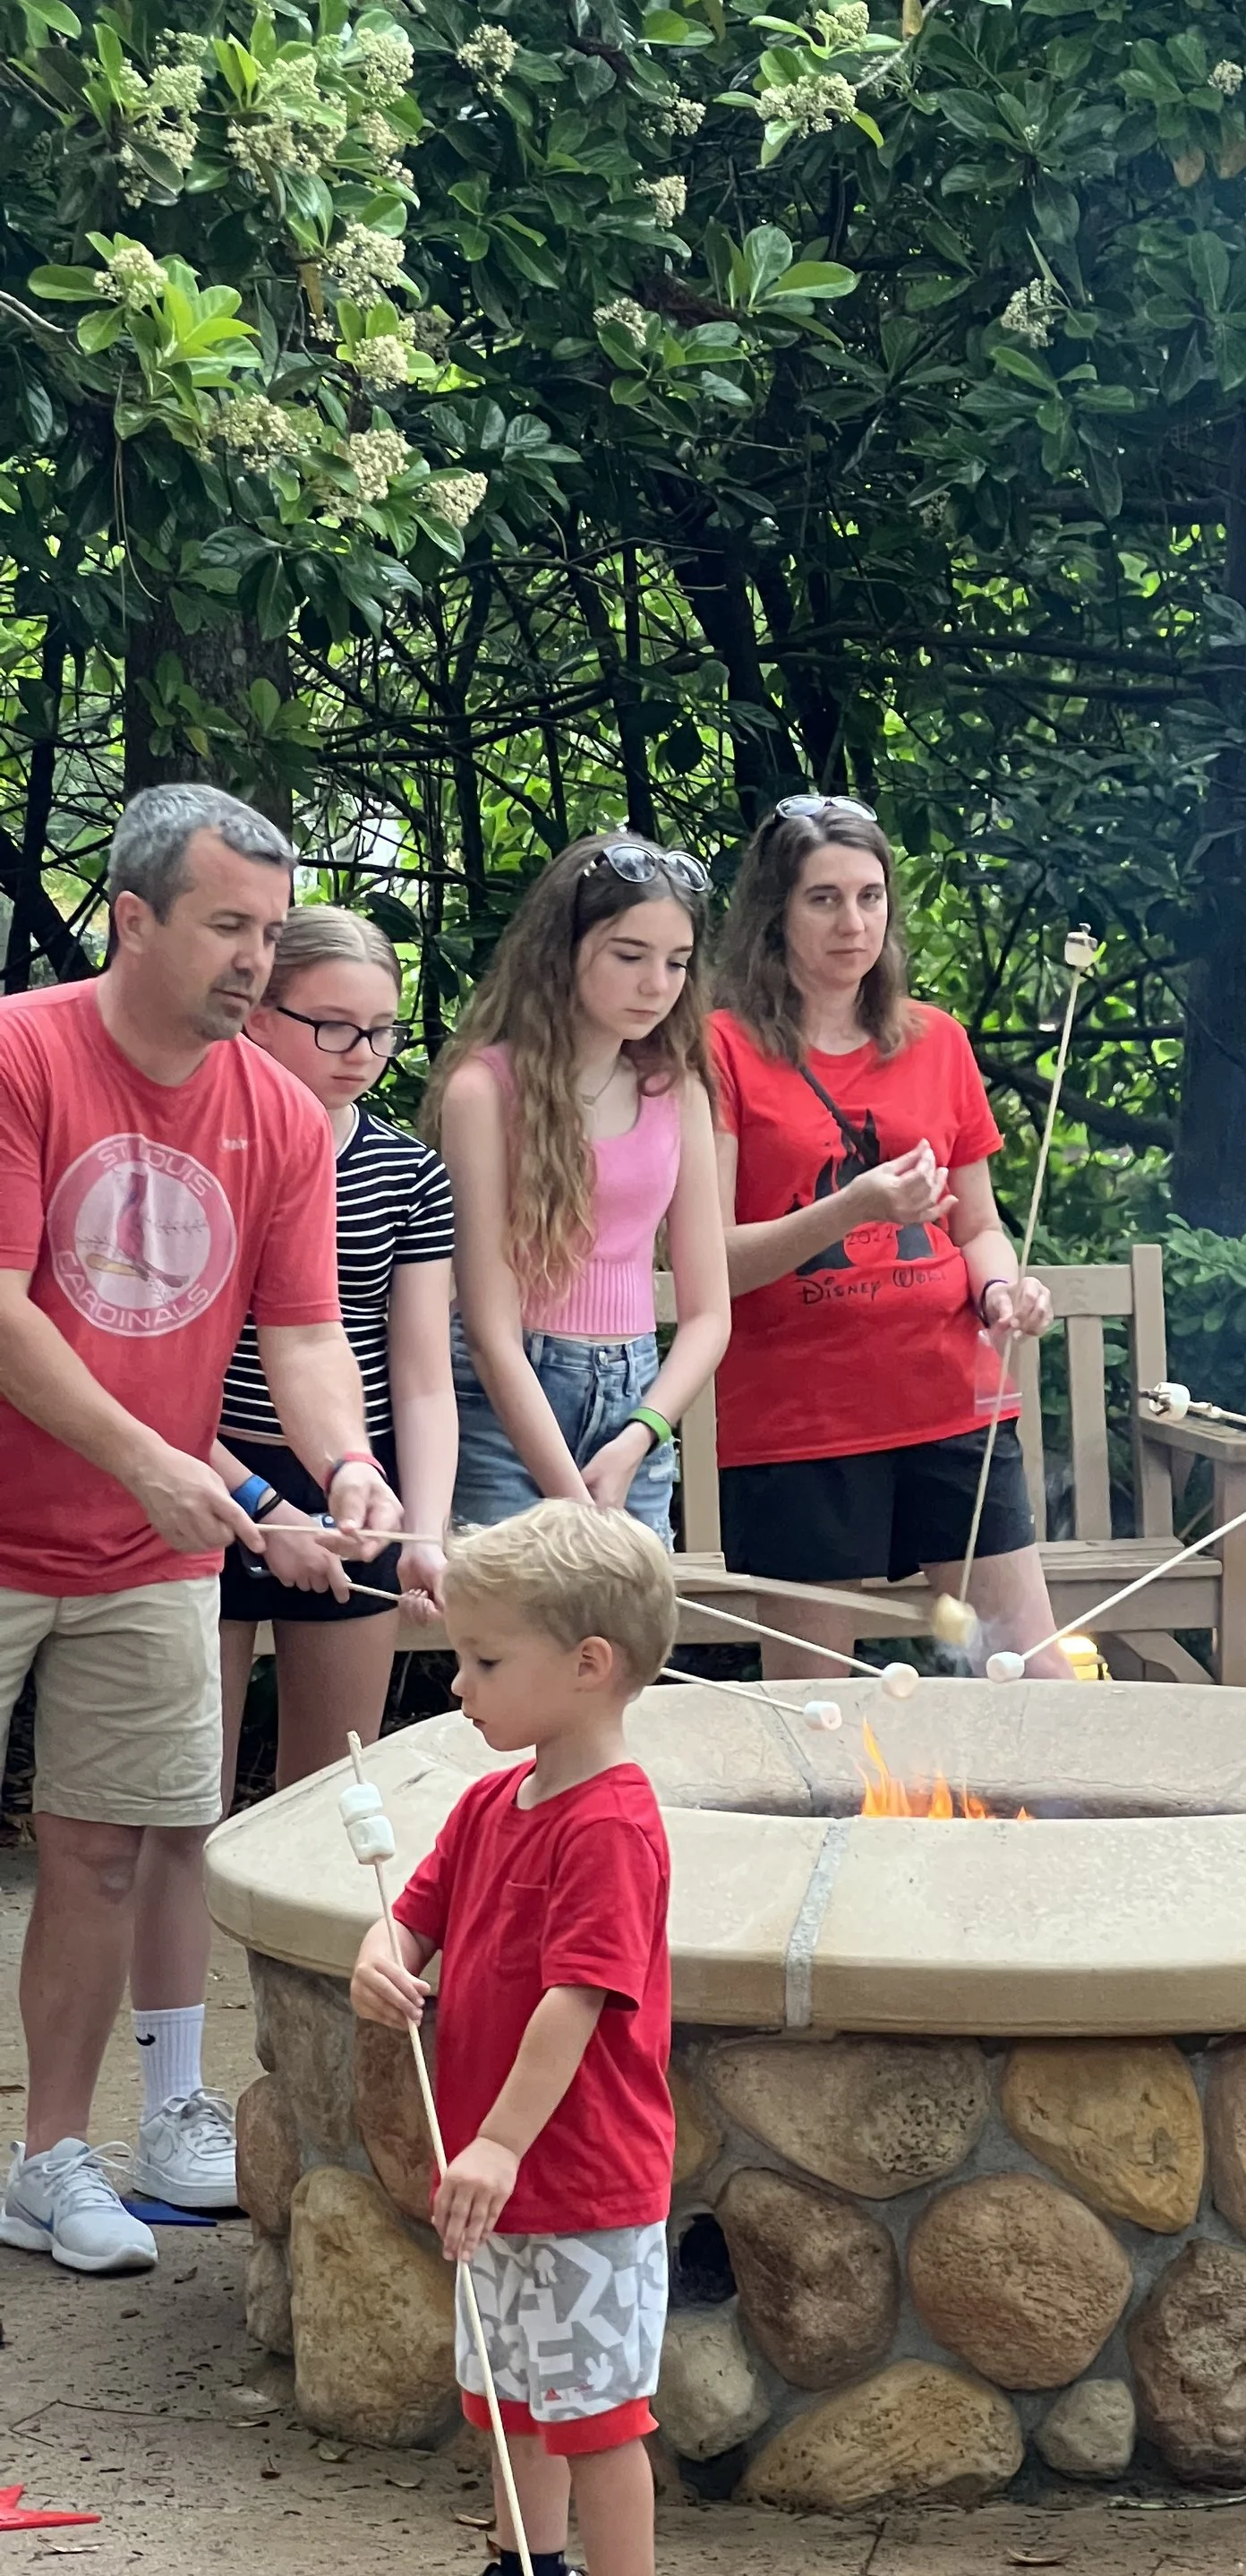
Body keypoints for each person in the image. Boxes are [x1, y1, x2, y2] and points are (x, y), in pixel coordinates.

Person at [0, 785, 400, 2273]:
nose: (255, 959)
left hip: (147, 1548)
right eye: (228, 924)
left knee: (104, 1852)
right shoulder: (21, 1051)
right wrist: (173, 1468)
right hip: (42, 1512)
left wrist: (346, 1464)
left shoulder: (282, 1113)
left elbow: (302, 1334)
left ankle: (50, 2157)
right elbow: (7, 1311)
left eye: (271, 929)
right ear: (135, 916)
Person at [351, 1502, 687, 2576]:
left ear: (588, 1664)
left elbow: (579, 2001)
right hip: (496, 2177)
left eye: (488, 1661)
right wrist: (379, 1952)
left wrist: (499, 2137)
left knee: (594, 2409)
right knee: (509, 2393)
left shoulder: (612, 1822)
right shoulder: (498, 1804)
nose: (461, 1682)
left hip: (581, 2173)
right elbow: (416, 1907)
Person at [704, 797, 1066, 1677]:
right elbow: (705, 1257)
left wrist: (1000, 1290)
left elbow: (978, 1225)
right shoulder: (720, 1047)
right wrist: (850, 1210)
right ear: (774, 914)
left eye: (869, 897)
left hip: (949, 1397)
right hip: (801, 1420)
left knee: (1033, 1674)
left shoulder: (936, 1040)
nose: (851, 922)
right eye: (823, 899)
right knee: (818, 1712)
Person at [422, 834, 730, 1544]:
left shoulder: (676, 1089)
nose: (657, 983)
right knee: (527, 1637)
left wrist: (638, 1439)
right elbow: (492, 1332)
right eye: (629, 955)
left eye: (677, 962)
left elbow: (709, 1314)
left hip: (636, 1406)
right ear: (563, 948)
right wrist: (575, 1503)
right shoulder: (484, 1089)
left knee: (620, 1647)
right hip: (505, 1402)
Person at [211, 905, 456, 1796]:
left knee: (330, 1794)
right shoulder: (207, 1152)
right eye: (333, 1026)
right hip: (209, 1474)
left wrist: (424, 1529)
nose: (361, 1051)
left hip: (354, 1485)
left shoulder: (407, 1173)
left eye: (381, 1030)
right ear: (257, 1015)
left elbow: (424, 1376)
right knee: (189, 1789)